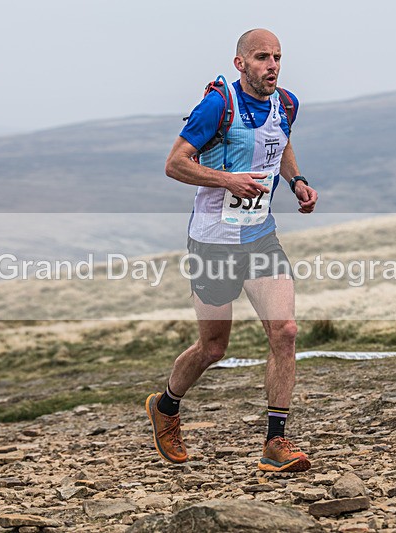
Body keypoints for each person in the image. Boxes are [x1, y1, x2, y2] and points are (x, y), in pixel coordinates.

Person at [145, 28, 318, 473]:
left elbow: (279, 144)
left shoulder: (287, 104)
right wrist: (228, 180)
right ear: (240, 63)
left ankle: (274, 444)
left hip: (260, 236)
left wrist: (296, 180)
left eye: (278, 57)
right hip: (213, 242)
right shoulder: (217, 105)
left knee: (285, 331)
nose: (272, 65)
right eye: (262, 57)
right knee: (213, 347)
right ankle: (166, 406)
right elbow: (175, 163)